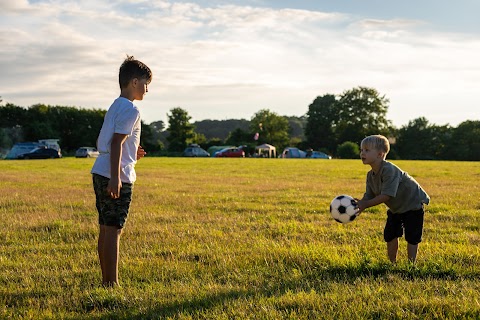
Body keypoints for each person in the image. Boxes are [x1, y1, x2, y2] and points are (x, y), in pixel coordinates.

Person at [91, 55, 152, 287]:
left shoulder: (116, 105)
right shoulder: (132, 110)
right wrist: (116, 178)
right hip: (115, 175)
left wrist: (133, 151)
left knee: (106, 228)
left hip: (101, 169)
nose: (147, 89)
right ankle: (111, 283)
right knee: (114, 229)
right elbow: (116, 143)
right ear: (134, 82)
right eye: (146, 84)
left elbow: (114, 143)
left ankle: (107, 280)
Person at [356, 135, 430, 264]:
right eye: (361, 150)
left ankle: (411, 265)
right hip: (396, 208)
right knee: (390, 235)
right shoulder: (370, 175)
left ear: (380, 154)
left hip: (412, 204)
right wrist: (360, 205)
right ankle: (392, 263)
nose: (362, 153)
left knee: (412, 237)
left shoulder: (389, 170)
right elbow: (369, 195)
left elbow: (387, 195)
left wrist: (366, 204)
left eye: (367, 150)